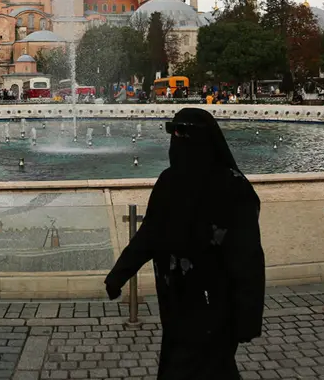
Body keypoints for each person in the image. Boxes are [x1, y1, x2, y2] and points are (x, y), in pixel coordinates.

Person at [105, 108, 265, 379]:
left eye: (184, 132)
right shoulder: (170, 181)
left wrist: (248, 316)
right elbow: (150, 235)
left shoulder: (233, 187)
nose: (178, 138)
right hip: (176, 302)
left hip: (216, 304)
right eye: (174, 131)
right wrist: (119, 274)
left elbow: (247, 256)